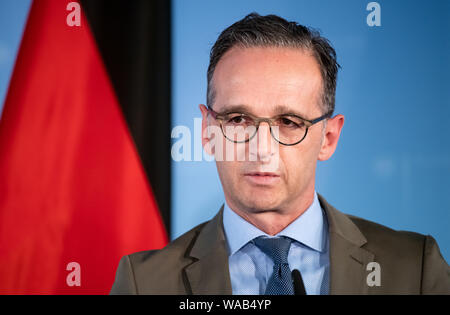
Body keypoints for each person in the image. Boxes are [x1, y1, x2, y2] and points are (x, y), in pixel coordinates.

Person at [110, 13, 450, 295]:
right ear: (207, 131)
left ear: (328, 138)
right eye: (239, 119)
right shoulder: (146, 283)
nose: (261, 148)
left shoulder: (415, 269)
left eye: (289, 122)